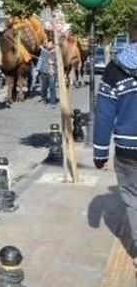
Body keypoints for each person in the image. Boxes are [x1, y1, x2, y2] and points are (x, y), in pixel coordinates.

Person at [93, 29, 137, 269]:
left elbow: (104, 114)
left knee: (133, 199)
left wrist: (100, 153)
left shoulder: (114, 68)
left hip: (128, 149)